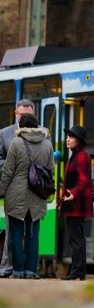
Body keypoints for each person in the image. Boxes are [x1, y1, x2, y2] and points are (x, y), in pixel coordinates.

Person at [0, 113, 54, 279]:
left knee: (16, 235)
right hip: (37, 196)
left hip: (16, 195)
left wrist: (1, 191)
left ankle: (18, 270)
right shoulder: (47, 144)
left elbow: (8, 171)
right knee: (33, 235)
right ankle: (31, 270)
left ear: (21, 126)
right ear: (37, 126)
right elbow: (50, 170)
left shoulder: (16, 143)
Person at [0, 99, 38, 278]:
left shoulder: (42, 134)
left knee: (30, 232)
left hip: (34, 191)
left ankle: (25, 269)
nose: (25, 118)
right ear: (16, 113)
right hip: (14, 190)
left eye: (28, 115)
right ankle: (8, 267)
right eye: (22, 115)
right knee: (11, 231)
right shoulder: (5, 134)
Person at [58, 125, 94, 281]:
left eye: (71, 137)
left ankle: (77, 270)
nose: (67, 139)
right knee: (76, 238)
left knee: (76, 238)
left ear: (78, 141)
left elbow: (84, 179)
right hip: (73, 203)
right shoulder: (76, 155)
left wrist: (73, 193)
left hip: (77, 204)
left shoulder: (81, 156)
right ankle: (79, 271)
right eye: (67, 137)